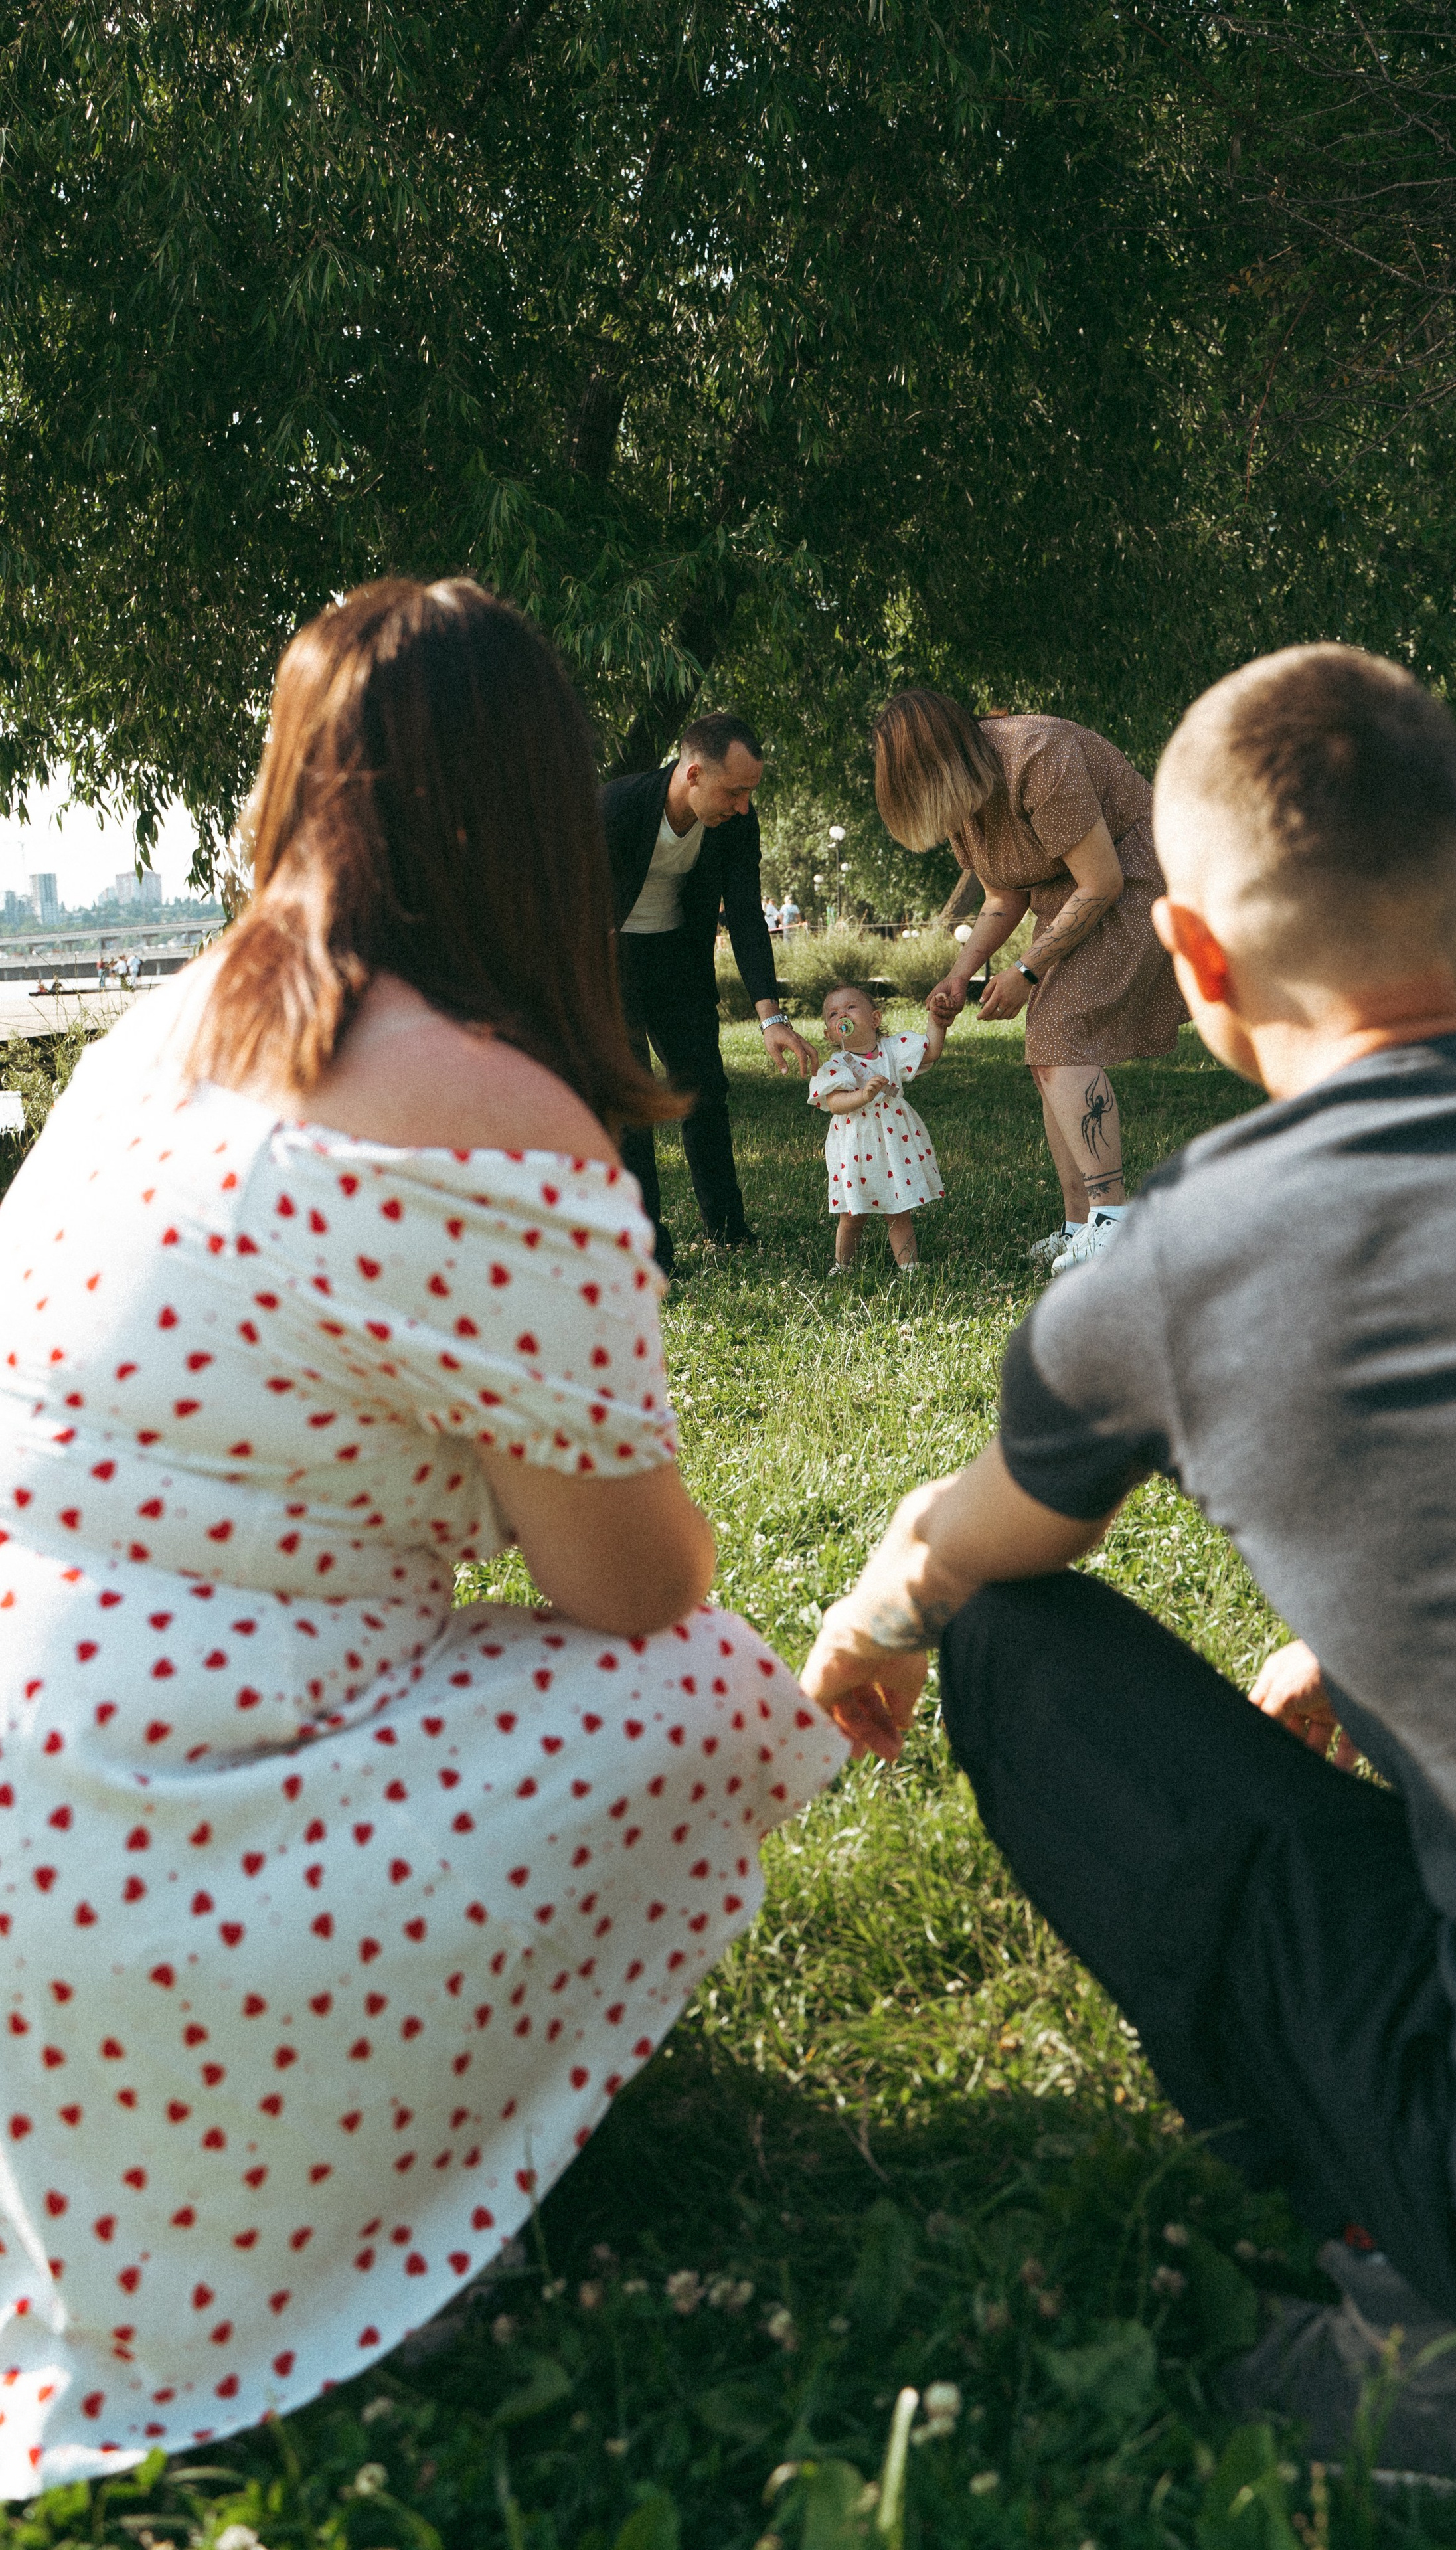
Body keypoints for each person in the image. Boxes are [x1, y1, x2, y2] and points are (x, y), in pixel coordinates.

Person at [805, 643, 1456, 2472]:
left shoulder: (1183, 1260)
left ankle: (1433, 2316)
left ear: (1195, 962)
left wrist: (876, 1627)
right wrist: (1373, 1657)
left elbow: (951, 1551)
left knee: (1020, 1651)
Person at [0, 580, 847, 2494]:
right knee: (700, 1695)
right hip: (141, 1853)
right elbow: (627, 1587)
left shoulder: (149, 1042)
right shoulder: (486, 1118)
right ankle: (381, 2180)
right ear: (547, 816)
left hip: (30, 1819)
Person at [871, 693, 1185, 1276]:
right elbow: (1004, 894)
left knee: (1060, 1031)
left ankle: (1113, 1222)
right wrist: (962, 973)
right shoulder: (967, 797)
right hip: (1074, 896)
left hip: (1134, 879)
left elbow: (1101, 879)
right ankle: (1079, 1224)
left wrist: (1026, 971)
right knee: (1047, 1049)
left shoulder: (1037, 753)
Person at [600, 713, 817, 1274]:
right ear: (692, 773)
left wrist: (772, 1018)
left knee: (704, 1089)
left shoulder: (737, 824)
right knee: (631, 1102)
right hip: (607, 958)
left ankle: (729, 1229)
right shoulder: (615, 808)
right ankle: (648, 1247)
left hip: (678, 960)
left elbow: (745, 915)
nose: (744, 805)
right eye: (736, 790)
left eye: (751, 792)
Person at [808, 983, 948, 1274]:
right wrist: (862, 1096)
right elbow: (834, 1103)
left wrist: (936, 1022)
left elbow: (931, 1052)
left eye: (850, 1007)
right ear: (829, 1033)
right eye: (833, 1013)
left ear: (875, 1019)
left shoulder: (892, 1050)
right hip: (856, 1146)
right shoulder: (836, 1064)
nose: (842, 1015)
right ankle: (843, 1266)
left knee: (899, 1211)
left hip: (893, 1142)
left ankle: (910, 1267)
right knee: (851, 1215)